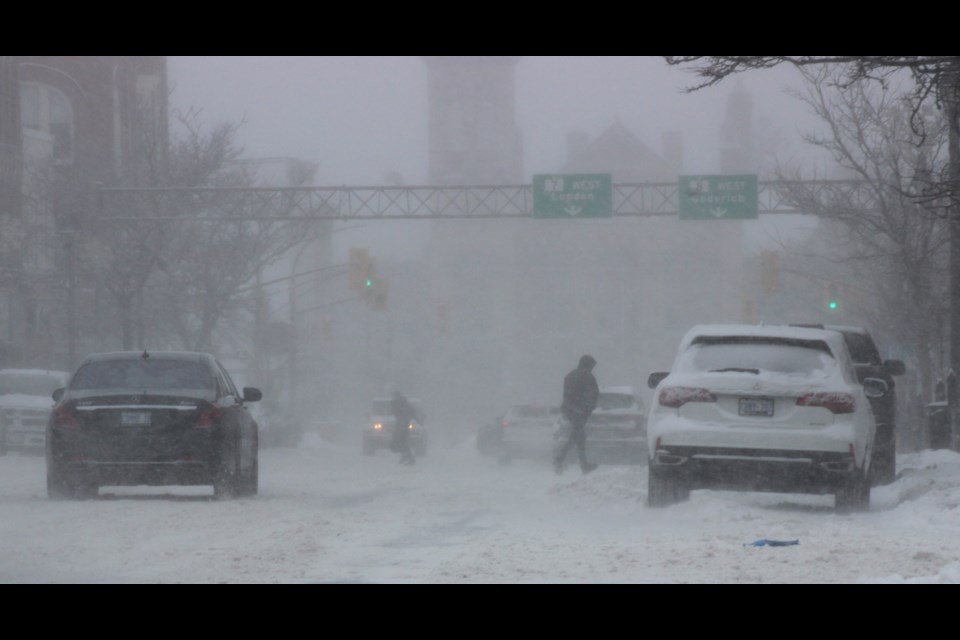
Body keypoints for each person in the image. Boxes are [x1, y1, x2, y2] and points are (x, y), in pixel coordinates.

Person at [554, 354, 599, 475]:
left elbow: (568, 394)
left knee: (579, 436)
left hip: (570, 410)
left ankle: (581, 464)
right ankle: (560, 460)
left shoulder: (570, 375)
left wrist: (570, 407)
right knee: (577, 436)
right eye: (592, 365)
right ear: (588, 365)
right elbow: (592, 394)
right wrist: (589, 408)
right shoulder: (588, 377)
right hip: (580, 411)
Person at [391, 391, 417, 465]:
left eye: (395, 396)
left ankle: (411, 459)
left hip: (403, 427)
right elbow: (412, 414)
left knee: (403, 443)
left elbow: (405, 415)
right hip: (401, 426)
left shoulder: (401, 405)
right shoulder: (403, 405)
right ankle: (405, 456)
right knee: (401, 443)